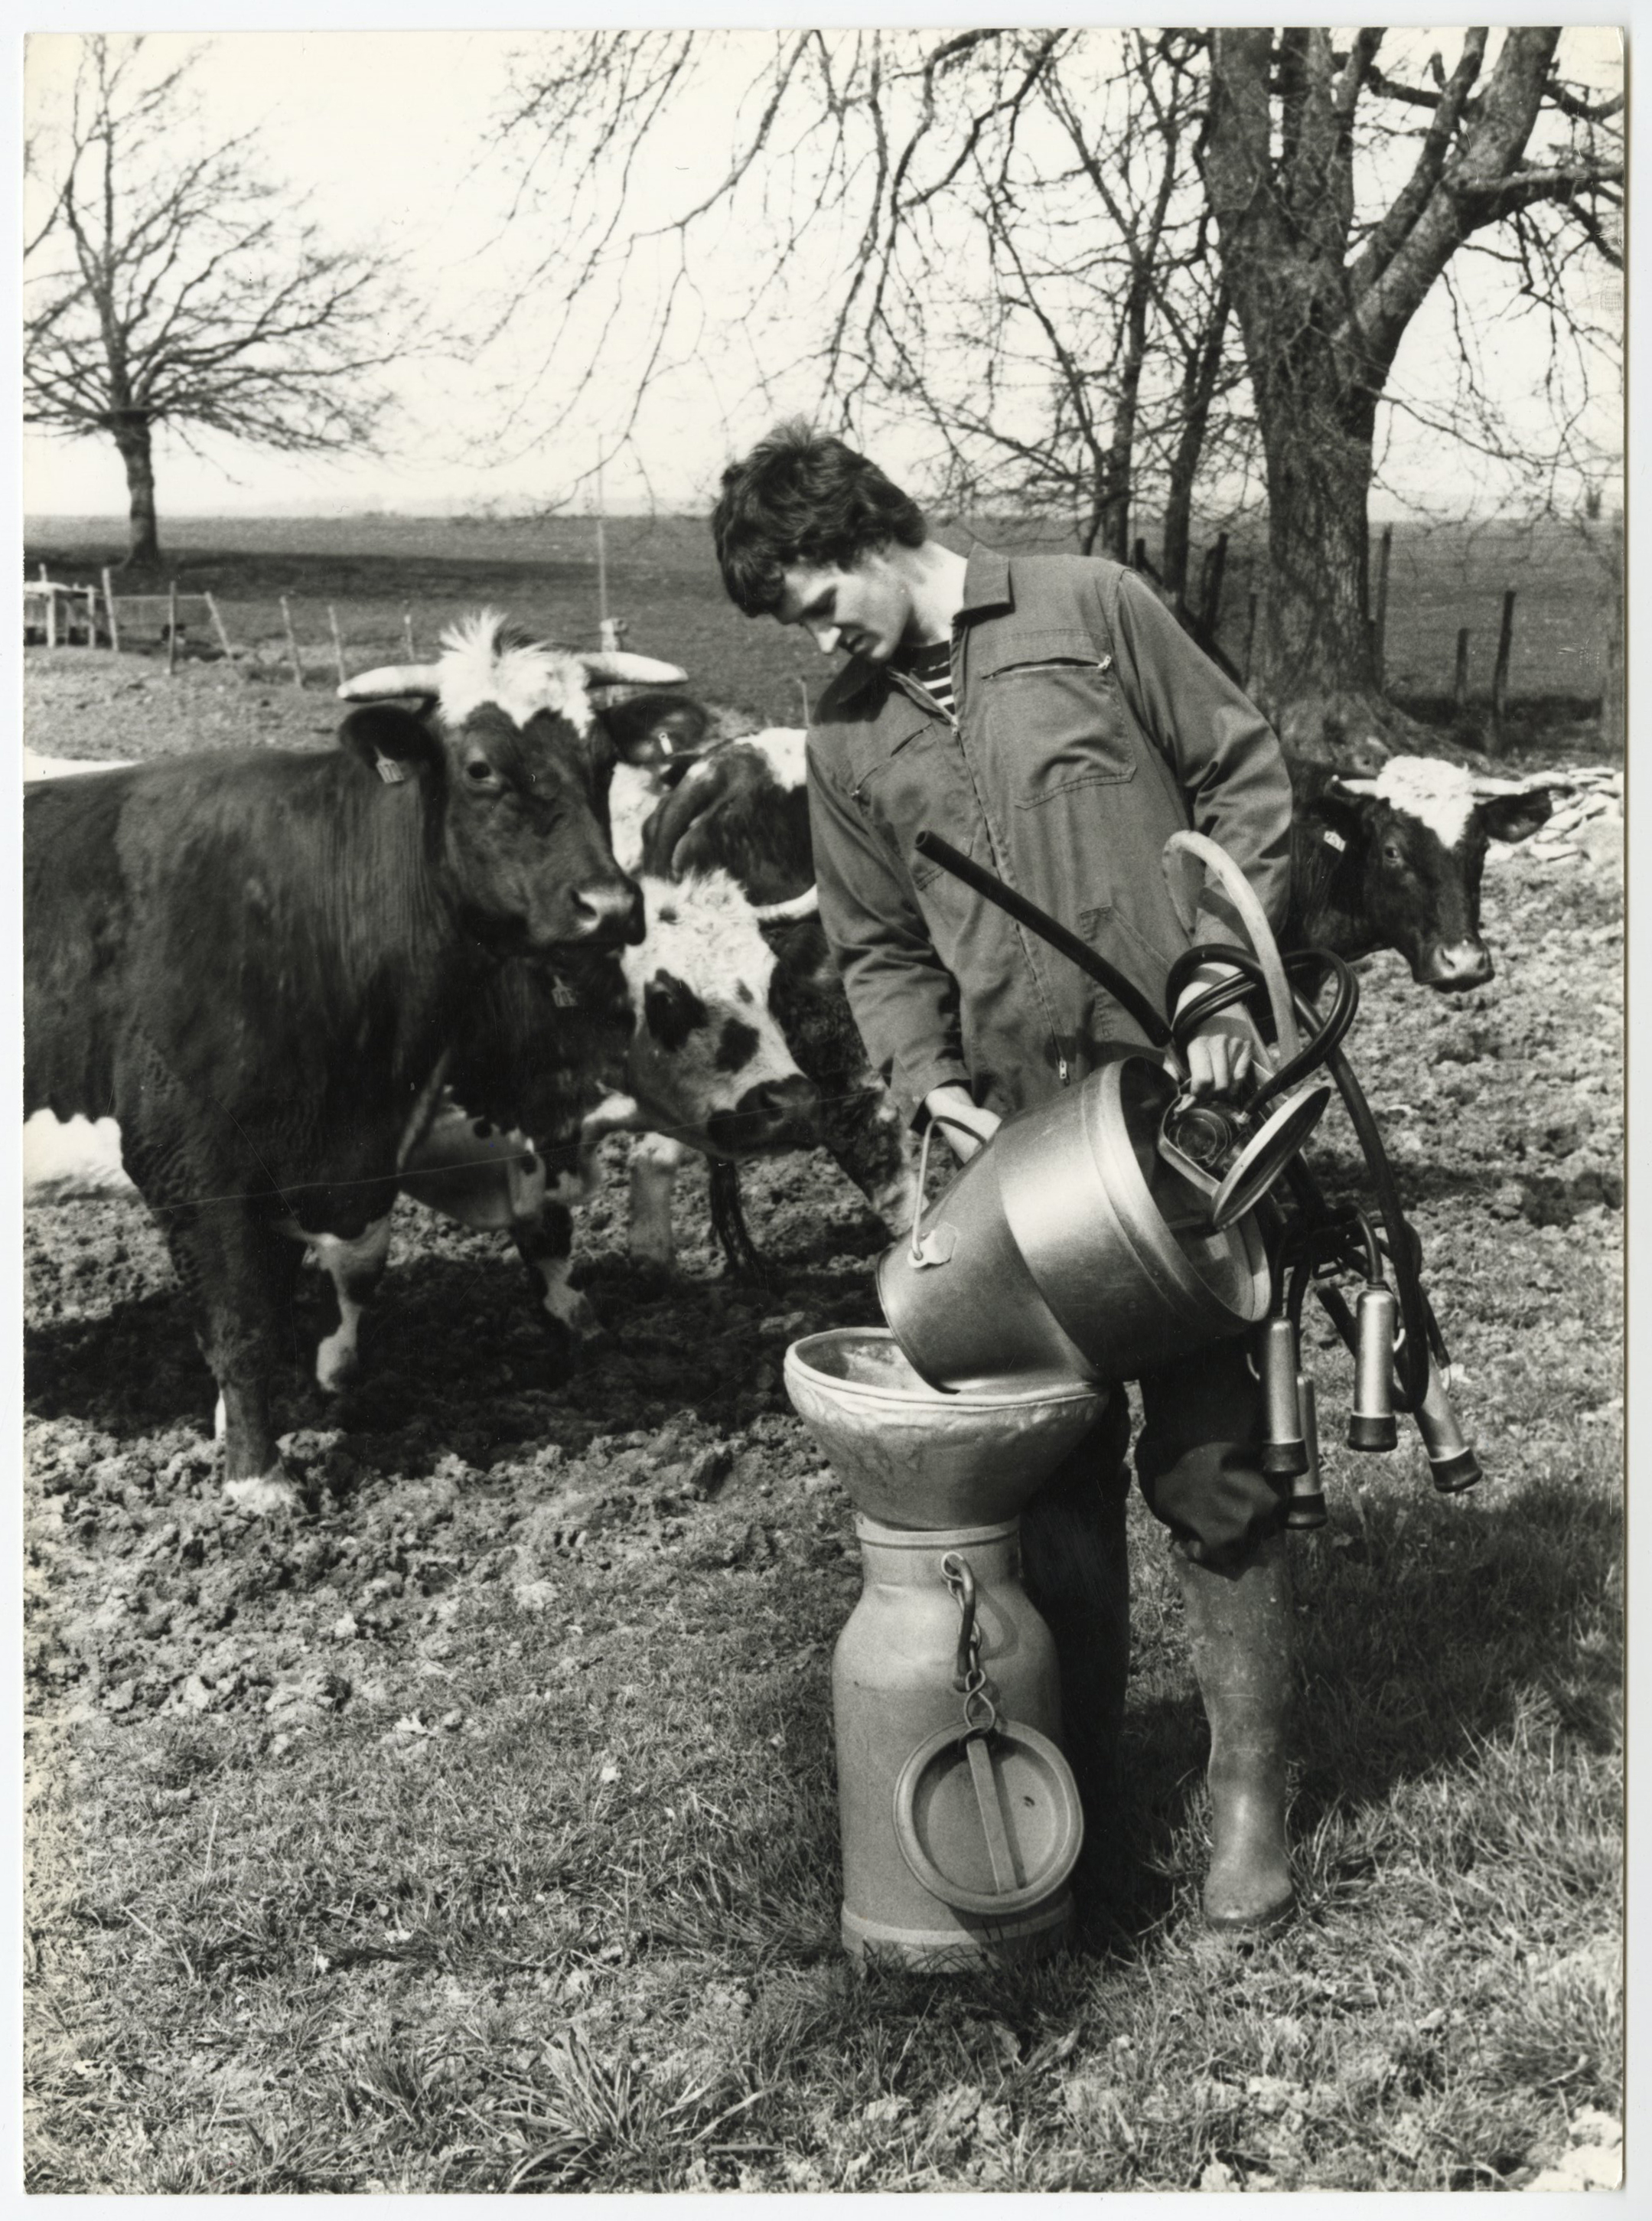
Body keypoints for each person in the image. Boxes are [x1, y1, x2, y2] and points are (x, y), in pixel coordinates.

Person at [712, 421, 1298, 1933]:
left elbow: (1244, 775)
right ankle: (1077, 1796)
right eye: (788, 615)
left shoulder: (1089, 610)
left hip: (1185, 1114)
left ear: (865, 524)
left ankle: (1250, 1799)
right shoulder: (845, 740)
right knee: (1049, 1487)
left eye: (814, 589)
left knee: (1214, 1463)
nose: (813, 628)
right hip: (1020, 1157)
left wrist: (1228, 983)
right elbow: (877, 946)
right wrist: (938, 1088)